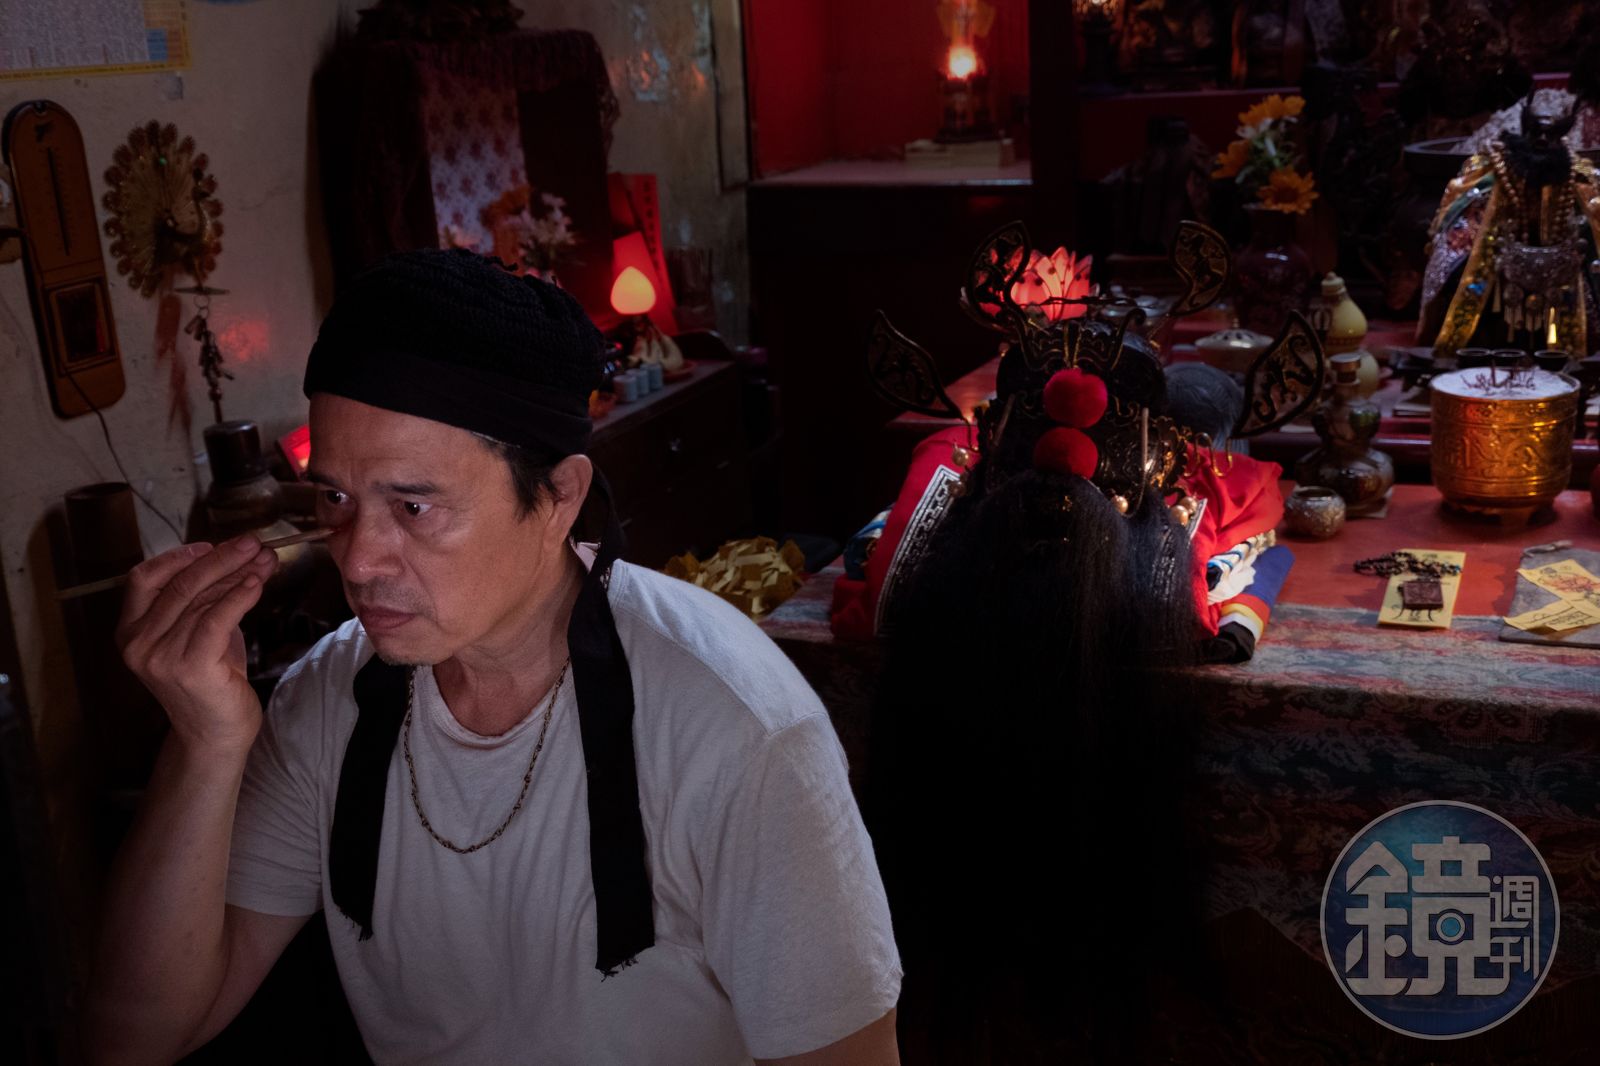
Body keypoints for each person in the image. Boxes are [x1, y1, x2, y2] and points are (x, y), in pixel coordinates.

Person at [83, 249, 902, 1065]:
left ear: (559, 497)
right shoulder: (330, 700)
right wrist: (205, 742)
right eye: (335, 498)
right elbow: (134, 1037)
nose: (358, 560)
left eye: (414, 506)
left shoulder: (737, 732)